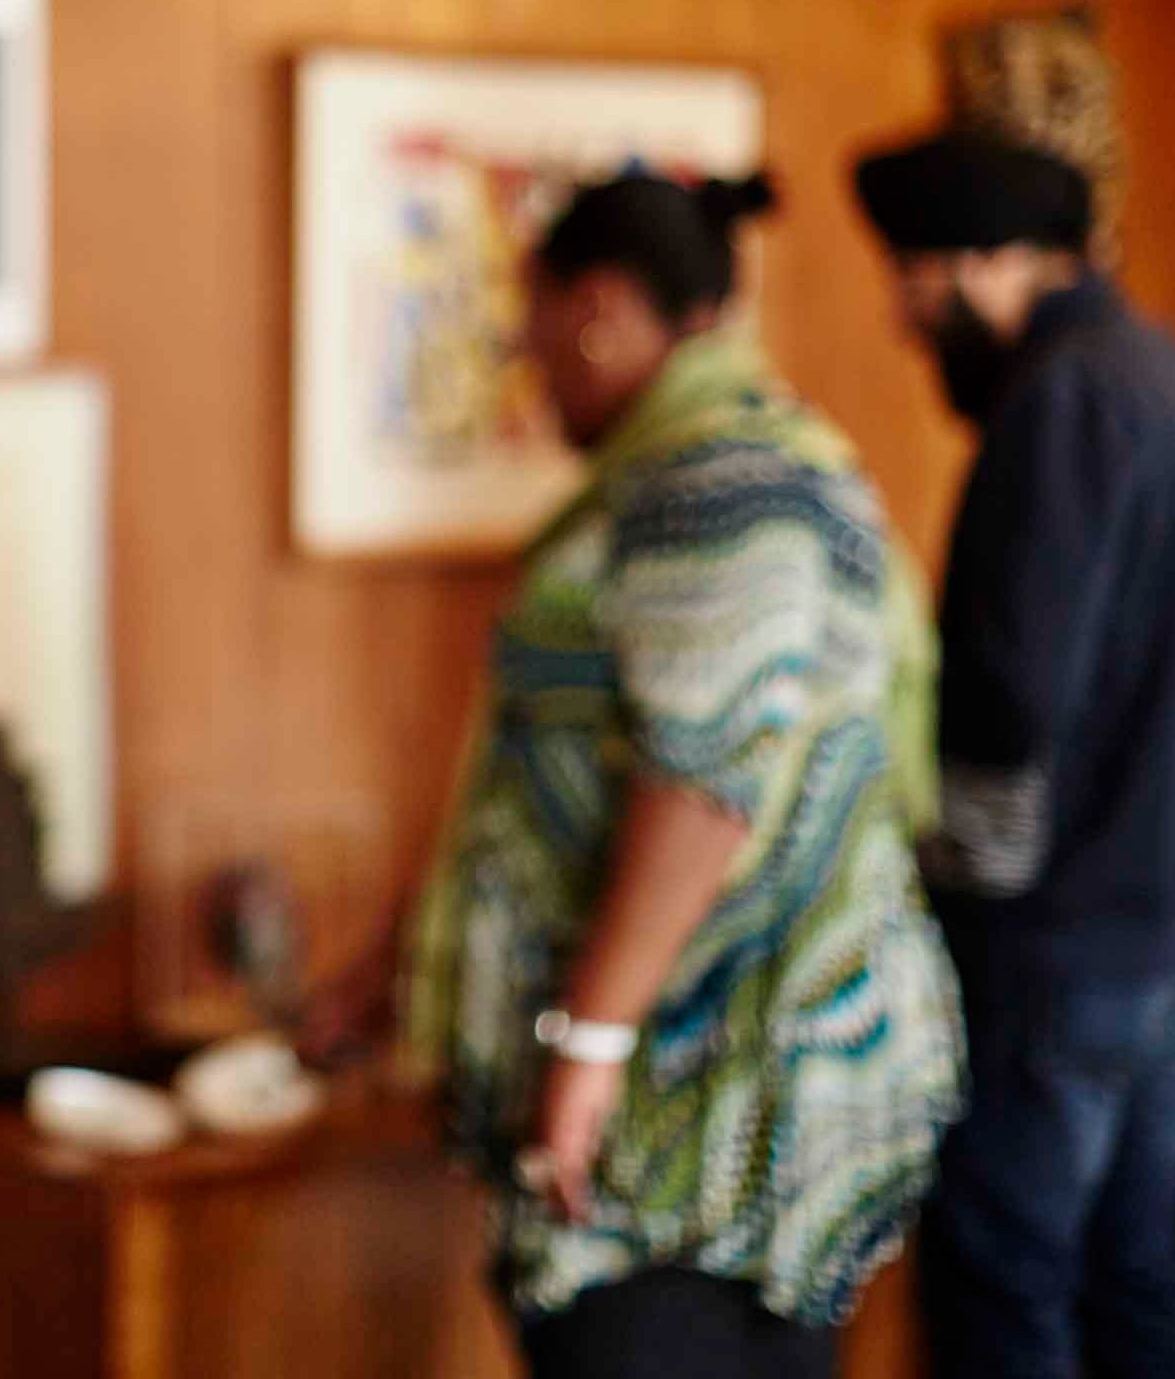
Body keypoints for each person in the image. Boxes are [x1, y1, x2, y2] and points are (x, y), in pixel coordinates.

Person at [393, 172, 964, 1378]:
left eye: (534, 321)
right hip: (713, 1097)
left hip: (697, 1115)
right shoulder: (727, 460)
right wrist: (385, 966)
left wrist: (589, 1045)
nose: (528, 360)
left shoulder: (720, 484)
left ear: (598, 309)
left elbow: (702, 788)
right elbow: (560, 782)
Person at [852, 129, 1175, 1379]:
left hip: (1066, 943)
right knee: (1135, 1270)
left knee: (1004, 1287)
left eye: (915, 285)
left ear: (987, 264)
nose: (904, 322)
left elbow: (1009, 696)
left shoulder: (1062, 400)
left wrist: (935, 895)